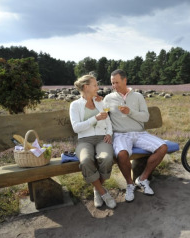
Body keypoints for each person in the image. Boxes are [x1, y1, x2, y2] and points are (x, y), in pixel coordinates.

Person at [103, 69, 167, 203]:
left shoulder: (138, 96)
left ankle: (143, 179)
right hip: (120, 134)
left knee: (163, 147)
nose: (114, 86)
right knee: (121, 154)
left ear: (125, 80)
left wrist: (130, 112)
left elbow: (145, 117)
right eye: (112, 83)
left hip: (139, 133)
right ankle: (130, 184)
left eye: (117, 82)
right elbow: (104, 117)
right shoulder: (108, 98)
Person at [69, 75, 116, 209]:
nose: (98, 87)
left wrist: (109, 133)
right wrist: (95, 118)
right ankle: (102, 192)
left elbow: (108, 120)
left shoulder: (100, 102)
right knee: (85, 160)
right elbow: (76, 127)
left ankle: (97, 189)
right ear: (86, 87)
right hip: (85, 140)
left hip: (102, 138)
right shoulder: (75, 105)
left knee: (107, 159)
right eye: (95, 85)